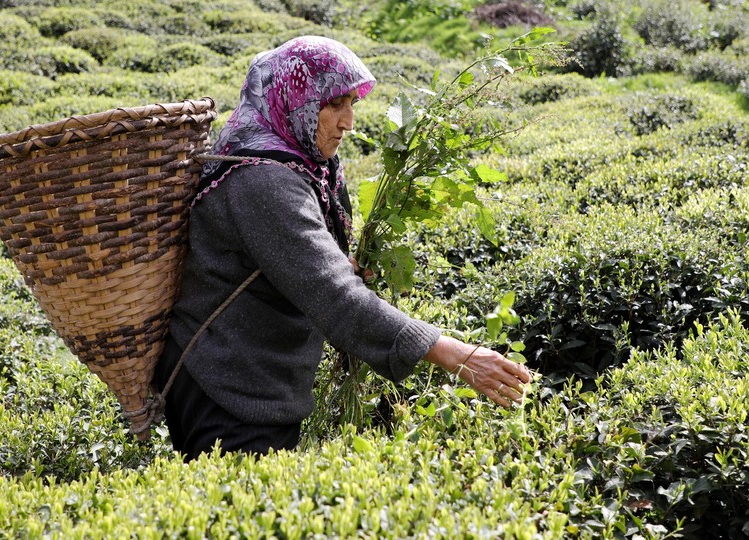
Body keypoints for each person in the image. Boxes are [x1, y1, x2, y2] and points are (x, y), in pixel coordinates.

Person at [155, 36, 531, 460]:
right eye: (334, 104)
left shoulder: (301, 163)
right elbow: (333, 294)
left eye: (352, 102)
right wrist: (453, 353)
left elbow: (300, 263)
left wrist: (341, 260)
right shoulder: (262, 180)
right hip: (227, 386)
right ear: (294, 99)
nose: (349, 121)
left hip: (253, 376)